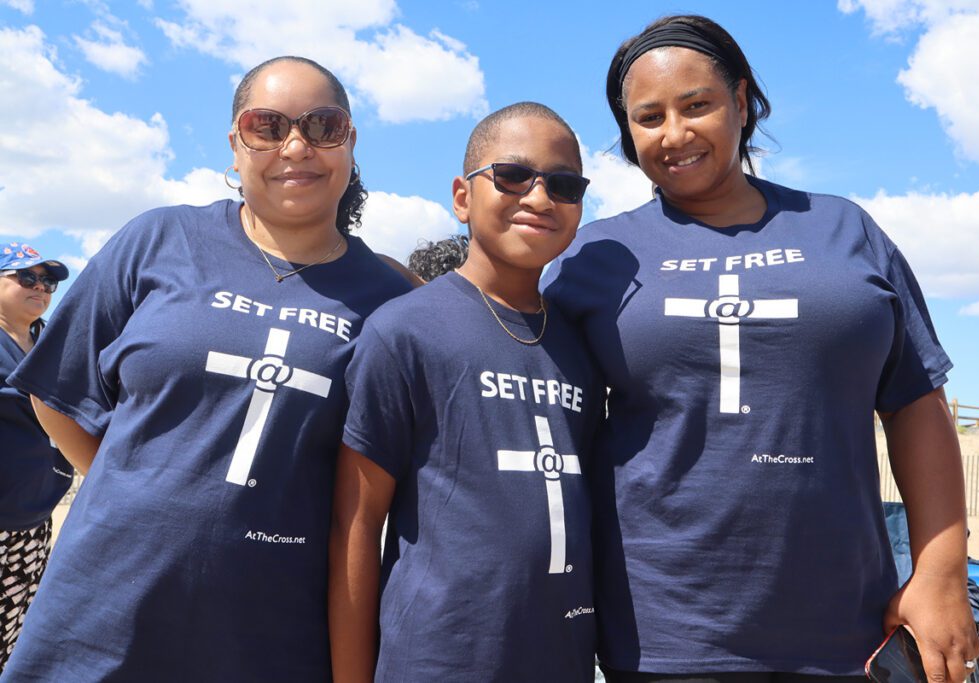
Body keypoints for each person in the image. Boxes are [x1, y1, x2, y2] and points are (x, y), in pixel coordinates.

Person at [542, 15, 979, 683]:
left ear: (741, 103)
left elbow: (916, 401)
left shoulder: (845, 230)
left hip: (849, 631)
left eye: (697, 105)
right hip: (664, 635)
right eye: (649, 116)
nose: (675, 133)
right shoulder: (595, 257)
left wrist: (942, 569)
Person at [2, 57, 411, 682]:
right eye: (267, 126)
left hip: (267, 632)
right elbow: (57, 393)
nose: (295, 146)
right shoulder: (157, 240)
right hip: (101, 613)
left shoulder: (386, 301)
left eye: (323, 126)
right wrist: (134, 491)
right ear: (235, 142)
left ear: (350, 142)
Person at [329, 102, 600, 682]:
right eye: (512, 176)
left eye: (564, 184)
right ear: (462, 196)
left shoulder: (584, 345)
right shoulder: (405, 330)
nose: (538, 197)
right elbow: (355, 524)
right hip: (438, 661)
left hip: (563, 660)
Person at [0, 245, 73, 671]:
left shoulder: (54, 342)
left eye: (48, 282)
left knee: (17, 634)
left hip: (34, 521)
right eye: (26, 277)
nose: (41, 288)